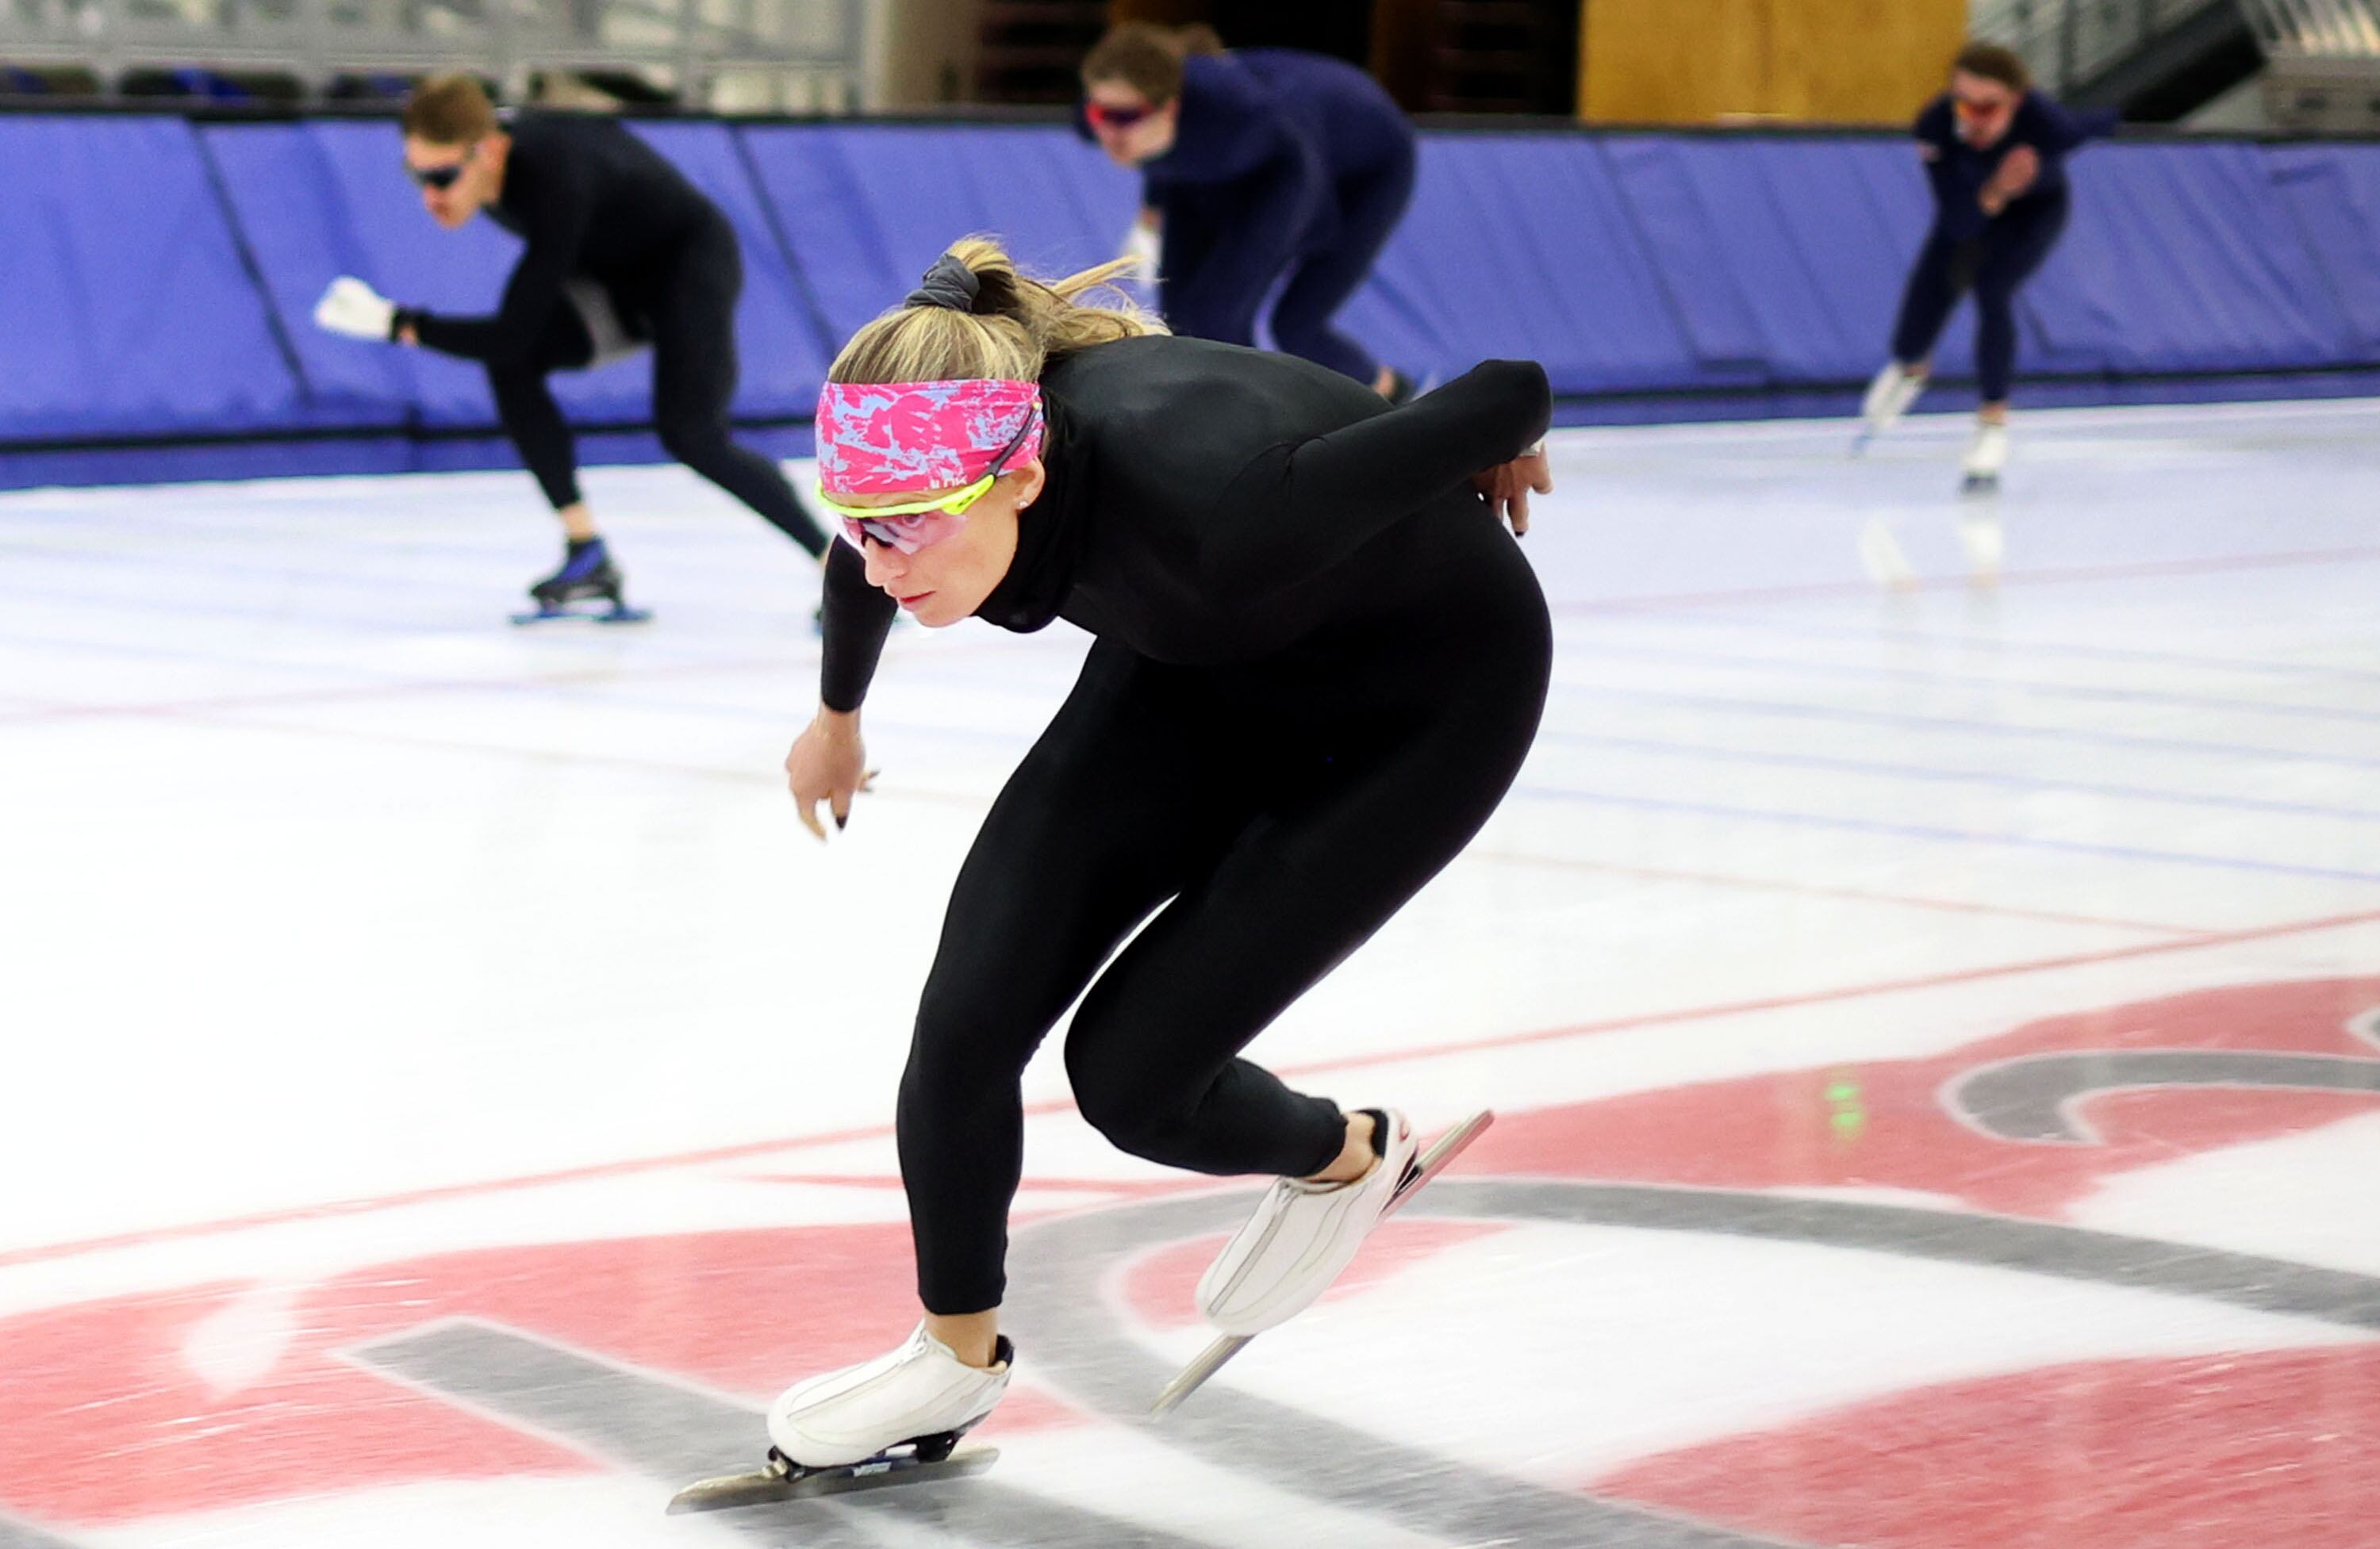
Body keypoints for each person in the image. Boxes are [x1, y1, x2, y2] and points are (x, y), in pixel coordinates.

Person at [762, 240, 1553, 1467]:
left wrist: (1491, 438)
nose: (882, 556)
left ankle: (1348, 1154)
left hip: (1423, 706)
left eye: (909, 523)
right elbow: (865, 556)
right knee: (968, 1016)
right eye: (861, 522)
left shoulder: (1224, 507)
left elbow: (1510, 383)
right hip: (1197, 664)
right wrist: (837, 720)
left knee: (1133, 1078)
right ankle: (949, 1361)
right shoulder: (954, 471)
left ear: (1019, 476)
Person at [311, 75, 829, 620]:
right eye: (416, 176)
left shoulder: (555, 177)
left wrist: (400, 324)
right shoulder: (493, 168)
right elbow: (515, 335)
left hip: (687, 263)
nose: (430, 197)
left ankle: (835, 565)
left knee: (691, 434)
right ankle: (587, 551)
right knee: (510, 364)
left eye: (441, 176)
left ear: (488, 150)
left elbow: (512, 327)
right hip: (611, 274)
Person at [1079, 23, 1422, 403]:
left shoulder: (1247, 117)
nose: (1109, 132)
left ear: (1170, 109)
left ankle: (1392, 393)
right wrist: (1149, 220)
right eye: (1099, 114)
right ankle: (1214, 417)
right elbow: (1165, 159)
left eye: (1124, 119)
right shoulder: (1126, 114)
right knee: (1179, 323)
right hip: (1242, 169)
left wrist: (1296, 243)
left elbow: (1302, 174)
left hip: (1359, 171)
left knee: (1284, 324)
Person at [1857, 42, 2117, 490]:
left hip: (2031, 217)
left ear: (2016, 102)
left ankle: (1992, 424)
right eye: (1964, 104)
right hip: (1968, 210)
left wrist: (2116, 119)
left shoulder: (2047, 125)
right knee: (1916, 324)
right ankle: (1913, 366)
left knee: (1992, 290)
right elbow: (1957, 218)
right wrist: (1995, 190)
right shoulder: (1936, 125)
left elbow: (2095, 123)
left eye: (1987, 108)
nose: (1971, 118)